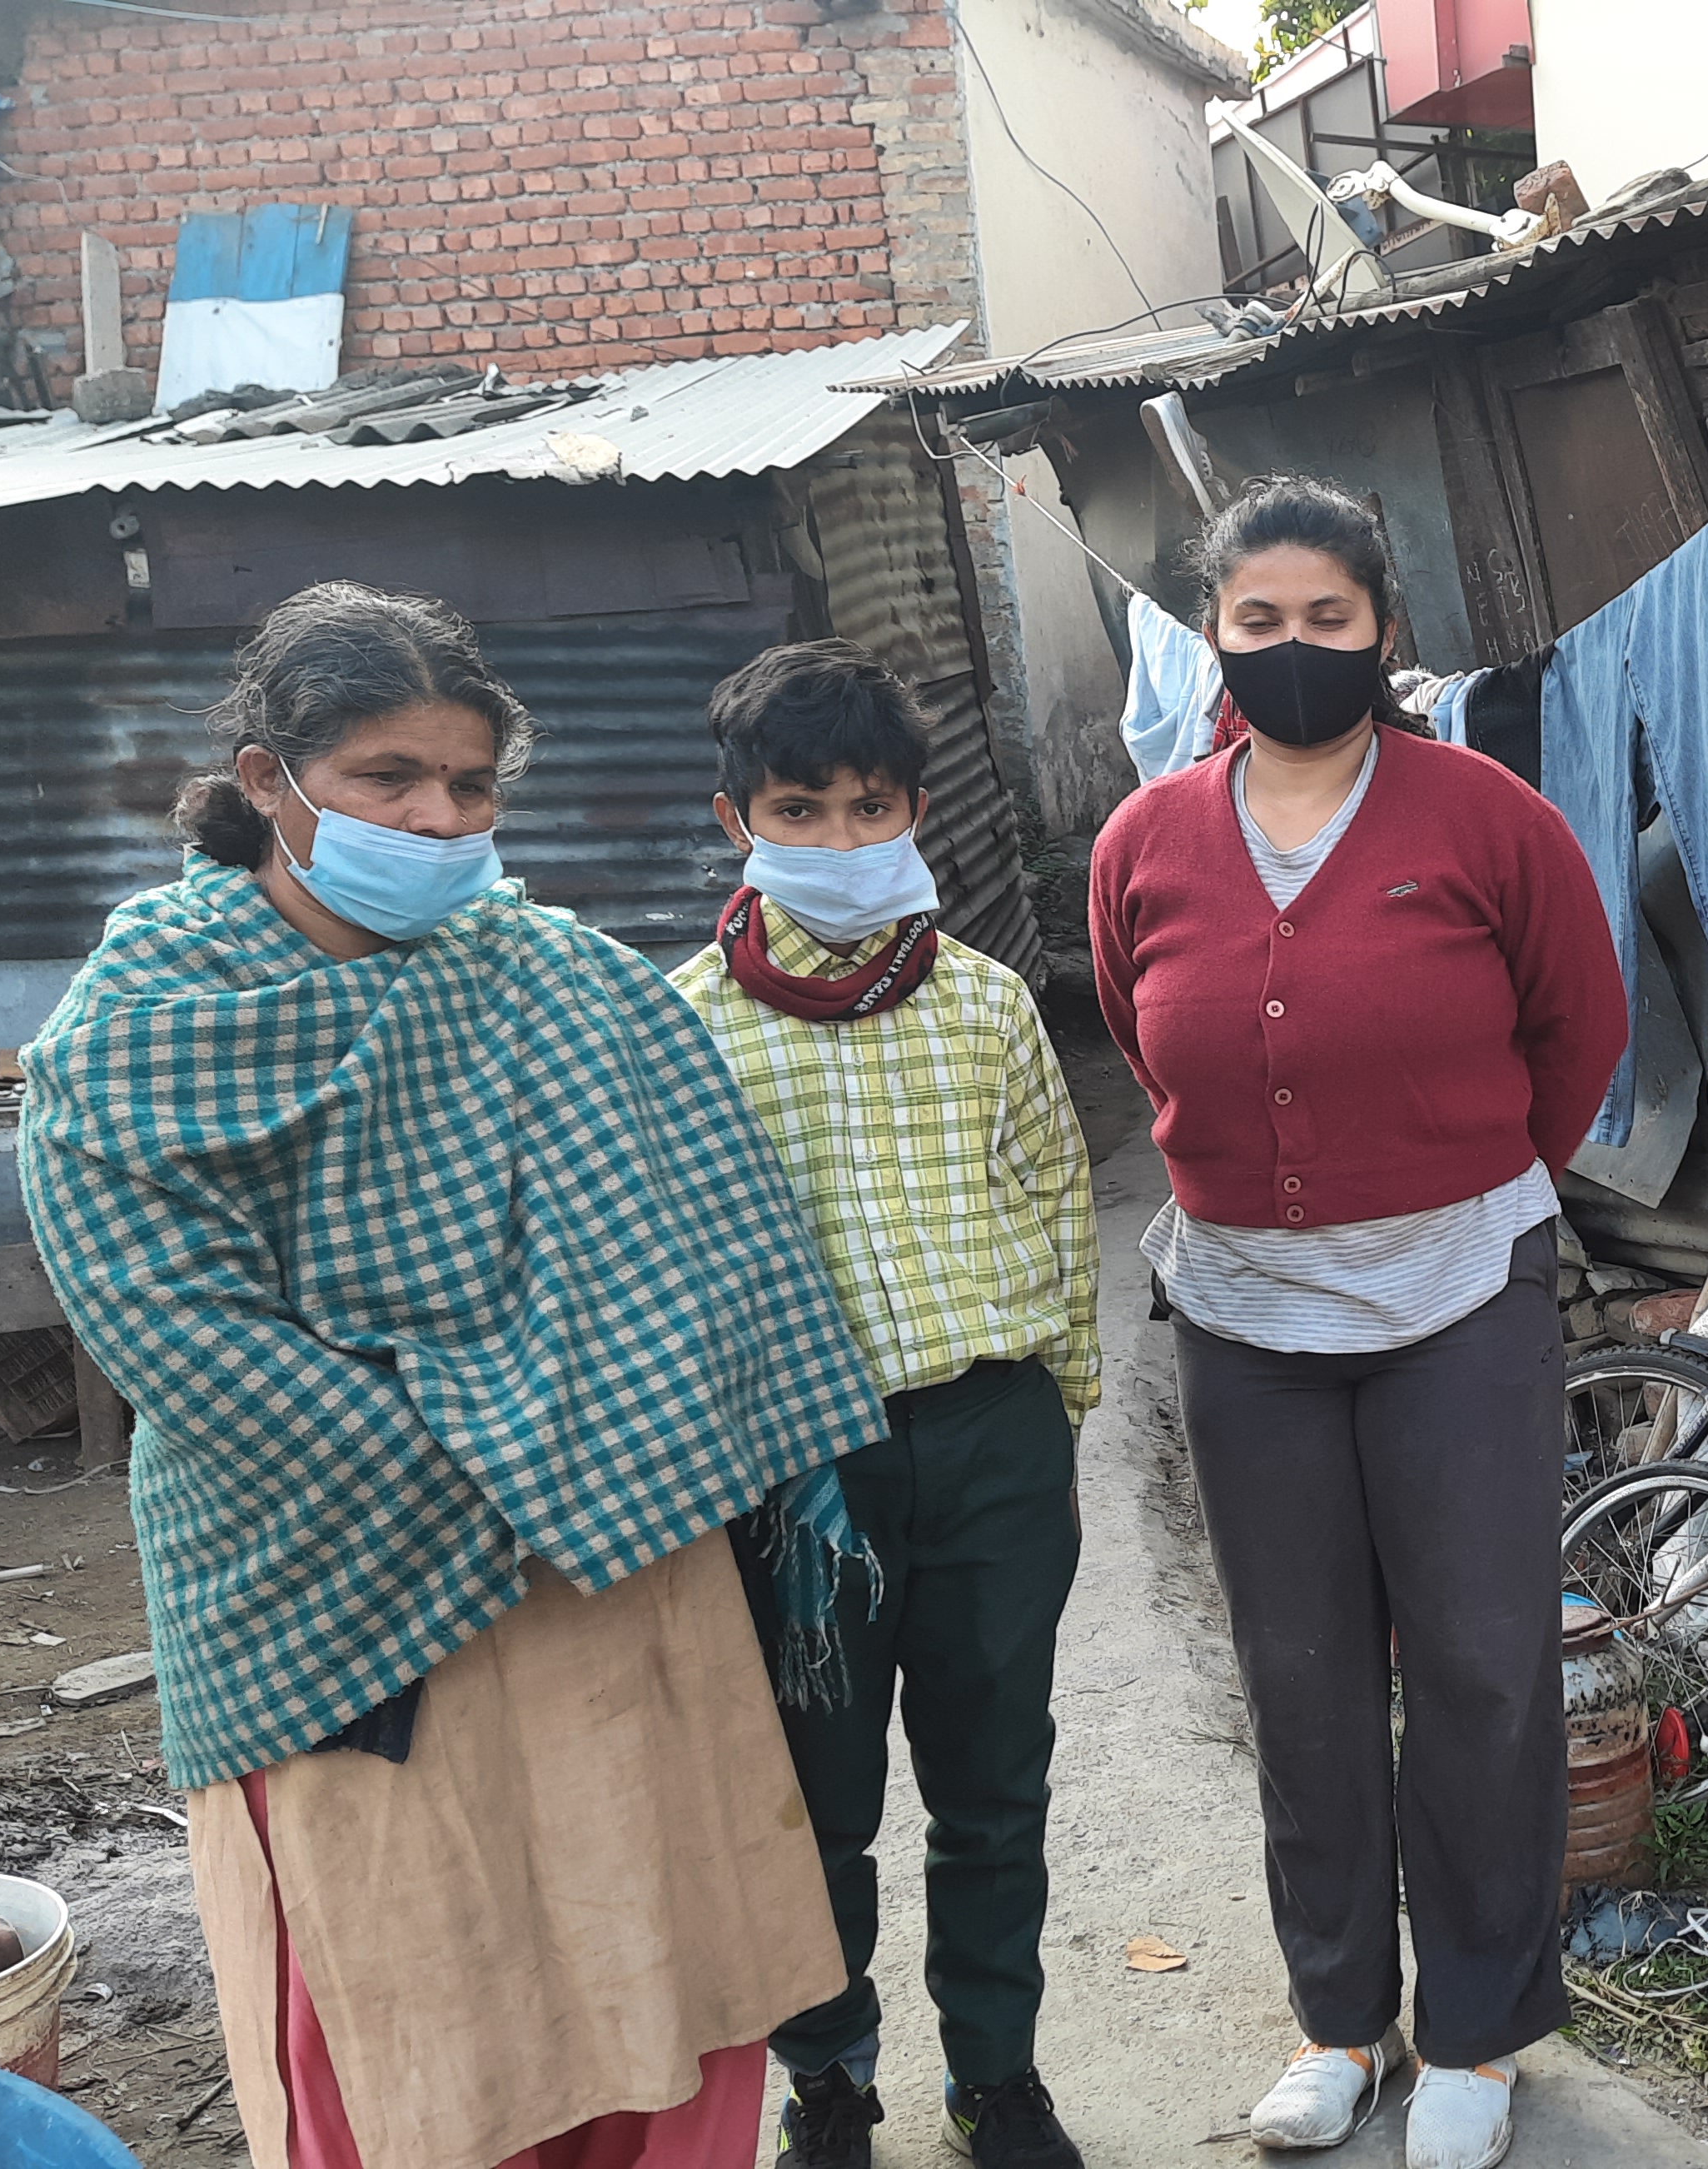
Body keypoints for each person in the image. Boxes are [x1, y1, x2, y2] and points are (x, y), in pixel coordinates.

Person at [18, 582, 885, 2169]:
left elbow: (710, 1242)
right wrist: (503, 1449)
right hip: (345, 1601)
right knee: (418, 2009)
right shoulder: (138, 1029)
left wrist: (612, 1432)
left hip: (619, 1577)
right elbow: (176, 1330)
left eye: (471, 784)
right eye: (388, 778)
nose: (439, 817)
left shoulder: (561, 979)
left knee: (658, 1967)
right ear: (271, 779)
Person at [1089, 478, 1630, 2169]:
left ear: (1383, 631)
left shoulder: (1481, 818)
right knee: (1302, 1681)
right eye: (1260, 623)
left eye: (1328, 619)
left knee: (1477, 1668)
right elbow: (1135, 1023)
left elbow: (1580, 1026)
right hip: (1245, 1306)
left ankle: (1474, 2035)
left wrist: (1462, 1186)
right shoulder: (1145, 839)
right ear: (1216, 640)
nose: (1295, 648)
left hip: (1458, 1285)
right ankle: (1338, 2023)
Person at [665, 642, 1102, 2169]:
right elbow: (664, 1259)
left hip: (987, 1438)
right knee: (815, 1806)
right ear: (739, 822)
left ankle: (998, 2075)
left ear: (912, 810)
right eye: (801, 810)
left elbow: (1054, 1198)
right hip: (799, 1477)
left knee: (994, 1787)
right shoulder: (683, 1031)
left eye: (868, 809)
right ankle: (828, 2080)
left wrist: (1057, 1407)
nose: (841, 843)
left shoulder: (983, 1006)